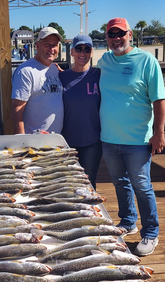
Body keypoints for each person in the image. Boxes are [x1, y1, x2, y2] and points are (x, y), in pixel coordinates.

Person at [97, 17, 165, 256]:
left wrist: (158, 133)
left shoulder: (146, 60)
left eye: (120, 34)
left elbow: (159, 99)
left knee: (142, 186)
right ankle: (128, 221)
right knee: (120, 182)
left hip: (138, 140)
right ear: (106, 38)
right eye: (111, 35)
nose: (116, 39)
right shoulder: (104, 60)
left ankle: (151, 233)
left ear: (130, 35)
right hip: (109, 138)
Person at [59, 35, 102, 189]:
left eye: (87, 49)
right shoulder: (61, 77)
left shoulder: (99, 75)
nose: (82, 53)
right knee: (68, 185)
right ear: (71, 52)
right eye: (79, 49)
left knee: (89, 185)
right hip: (66, 142)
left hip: (93, 141)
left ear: (92, 52)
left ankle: (91, 213)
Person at [11, 27, 63, 134]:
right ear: (37, 46)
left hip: (57, 139)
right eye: (47, 44)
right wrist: (23, 140)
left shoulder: (55, 69)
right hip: (35, 141)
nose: (51, 49)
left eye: (55, 45)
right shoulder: (25, 71)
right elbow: (17, 108)